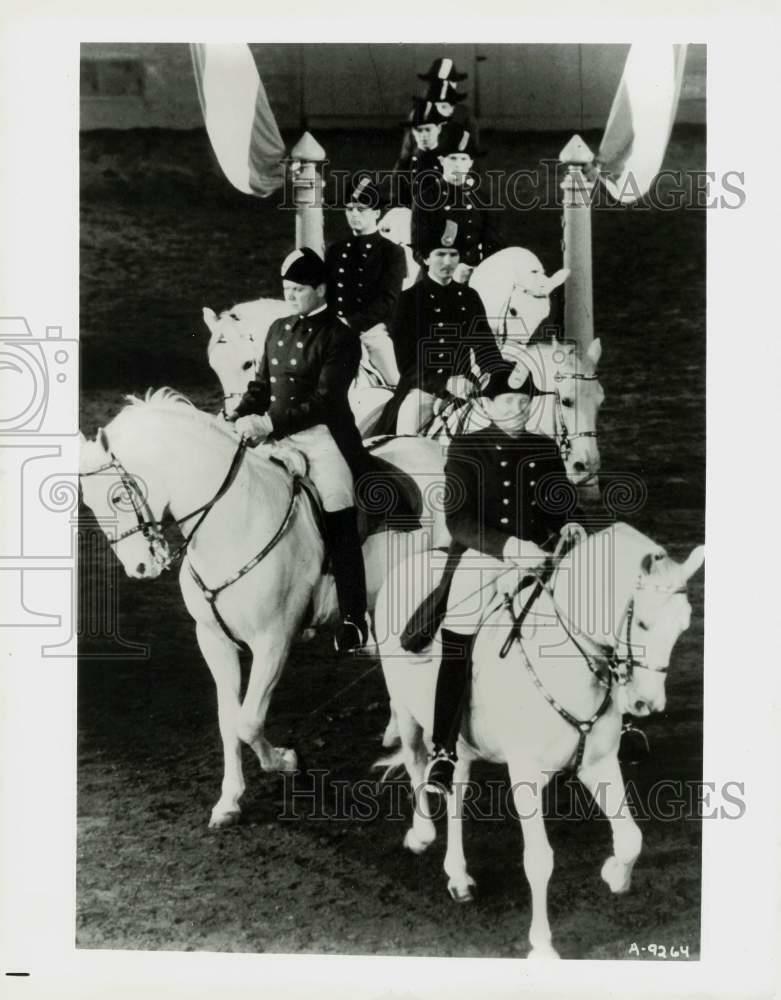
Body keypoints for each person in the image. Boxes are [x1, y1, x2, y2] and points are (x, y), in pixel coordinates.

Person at [400, 369, 580, 794]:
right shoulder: (465, 447)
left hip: (543, 554)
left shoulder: (544, 446)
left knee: (592, 612)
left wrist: (571, 523)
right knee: (458, 635)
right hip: (484, 557)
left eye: (523, 403)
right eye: (506, 403)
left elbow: (561, 504)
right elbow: (458, 520)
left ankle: (614, 723)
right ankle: (444, 751)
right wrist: (509, 547)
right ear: (485, 404)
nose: (516, 410)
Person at [227, 248, 369, 653]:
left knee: (338, 506)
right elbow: (260, 388)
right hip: (275, 435)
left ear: (321, 289)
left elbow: (325, 400)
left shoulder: (340, 337)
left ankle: (353, 617)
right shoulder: (277, 328)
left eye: (299, 289)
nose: (290, 296)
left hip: (322, 436)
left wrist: (268, 423)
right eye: (287, 289)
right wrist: (237, 417)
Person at [374, 219, 513, 435]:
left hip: (468, 388)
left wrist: (500, 375)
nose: (447, 261)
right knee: (408, 438)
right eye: (440, 254)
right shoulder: (408, 300)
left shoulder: (470, 297)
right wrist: (445, 382)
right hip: (423, 391)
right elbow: (407, 366)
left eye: (453, 255)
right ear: (426, 258)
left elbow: (486, 350)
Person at [324, 175, 407, 386]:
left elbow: (388, 300)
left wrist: (351, 322)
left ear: (377, 213)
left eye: (361, 209)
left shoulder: (391, 252)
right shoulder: (336, 250)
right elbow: (327, 292)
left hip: (370, 331)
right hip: (333, 327)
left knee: (394, 380)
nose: (354, 214)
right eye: (349, 209)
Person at [412, 125, 504, 283]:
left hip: (475, 274)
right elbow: (419, 250)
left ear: (470, 163)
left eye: (463, 159)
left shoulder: (481, 197)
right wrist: (449, 271)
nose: (457, 164)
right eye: (452, 158)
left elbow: (493, 243)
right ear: (441, 161)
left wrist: (480, 269)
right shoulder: (426, 198)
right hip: (437, 277)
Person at [392, 98, 448, 209]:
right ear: (413, 131)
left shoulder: (449, 160)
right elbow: (397, 201)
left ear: (439, 128)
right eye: (418, 130)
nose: (423, 135)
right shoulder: (405, 164)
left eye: (428, 130)